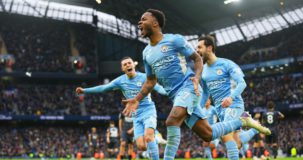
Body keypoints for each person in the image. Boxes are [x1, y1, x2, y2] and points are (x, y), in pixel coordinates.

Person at [122, 9, 271, 160]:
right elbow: (150, 81)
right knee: (208, 134)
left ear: (155, 23)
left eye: (143, 19)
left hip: (188, 87)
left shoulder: (175, 40)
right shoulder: (146, 53)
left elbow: (197, 59)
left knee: (171, 121)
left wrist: (197, 77)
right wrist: (137, 99)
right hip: (176, 96)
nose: (139, 22)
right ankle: (243, 121)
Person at [76, 57, 167, 160]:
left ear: (134, 65)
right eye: (125, 64)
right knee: (141, 146)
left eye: (129, 63)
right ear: (122, 69)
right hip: (136, 115)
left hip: (148, 110)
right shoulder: (120, 81)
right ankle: (156, 139)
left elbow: (159, 88)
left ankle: (155, 142)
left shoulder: (144, 77)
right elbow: (103, 88)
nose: (128, 65)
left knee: (148, 136)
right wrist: (85, 90)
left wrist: (170, 91)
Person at [197, 35, 261, 160]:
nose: (197, 51)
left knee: (226, 134)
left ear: (209, 48)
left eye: (199, 47)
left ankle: (246, 121)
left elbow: (242, 83)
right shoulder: (203, 71)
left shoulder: (226, 64)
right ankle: (254, 128)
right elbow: (205, 94)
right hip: (221, 110)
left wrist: (231, 98)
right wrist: (197, 110)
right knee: (236, 143)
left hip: (234, 105)